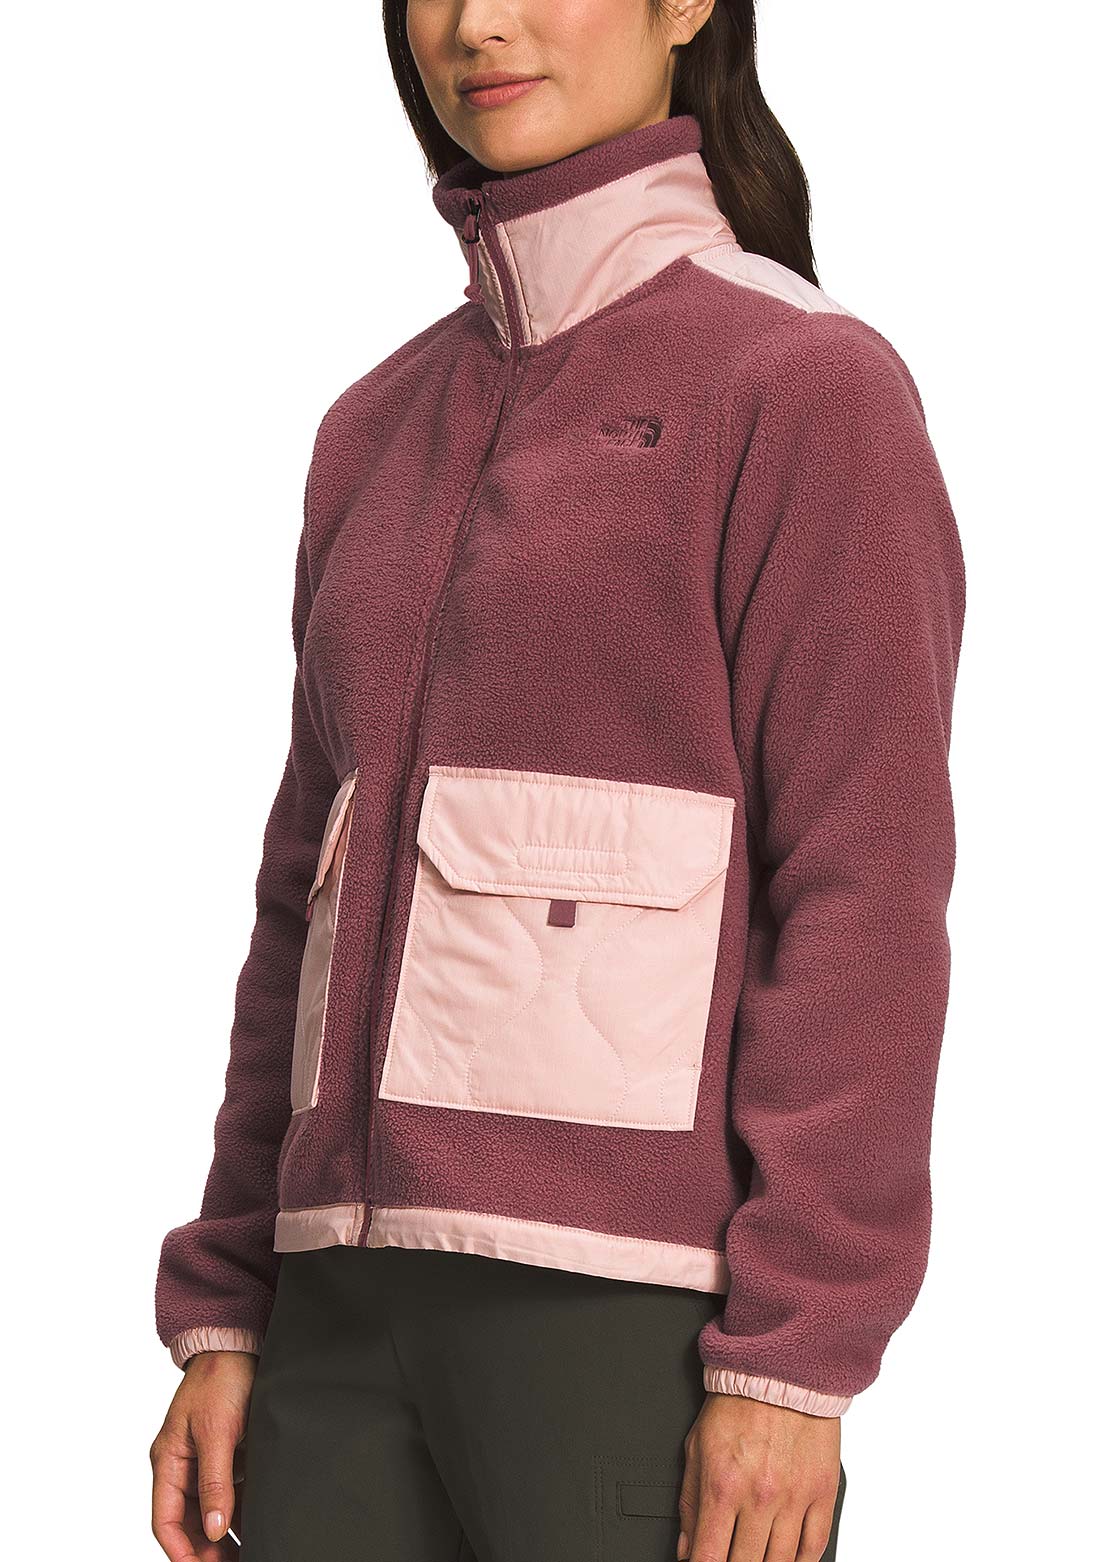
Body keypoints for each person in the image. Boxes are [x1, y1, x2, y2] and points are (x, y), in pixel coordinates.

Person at [149, 1, 965, 1558]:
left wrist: (798, 1355)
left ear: (686, 6)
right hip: (332, 1321)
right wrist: (230, 1303)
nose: (479, 24)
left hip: (628, 1320)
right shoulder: (371, 428)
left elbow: (862, 894)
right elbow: (301, 902)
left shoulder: (801, 385)